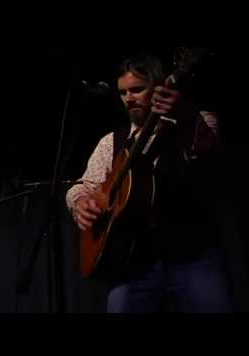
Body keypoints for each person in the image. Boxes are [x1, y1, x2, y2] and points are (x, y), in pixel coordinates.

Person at [66, 52, 235, 313]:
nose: (128, 99)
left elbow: (211, 159)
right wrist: (79, 201)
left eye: (137, 90)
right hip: (134, 263)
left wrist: (186, 116)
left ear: (158, 88)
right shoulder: (111, 142)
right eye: (123, 93)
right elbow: (83, 185)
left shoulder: (197, 121)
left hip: (195, 256)